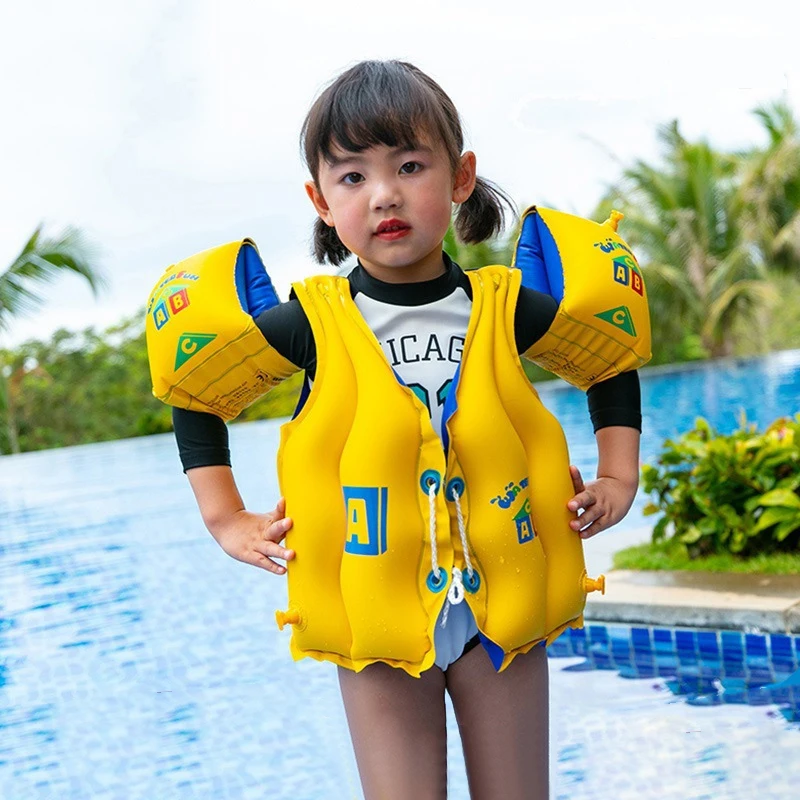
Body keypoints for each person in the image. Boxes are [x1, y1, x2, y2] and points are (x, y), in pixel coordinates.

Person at [169, 60, 642, 800]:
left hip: (504, 616)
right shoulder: (313, 326)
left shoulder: (505, 306)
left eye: (410, 165)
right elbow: (195, 390)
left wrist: (619, 473)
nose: (384, 193)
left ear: (460, 178)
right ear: (320, 201)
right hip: (377, 627)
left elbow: (605, 354)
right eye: (352, 176)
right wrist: (225, 517)